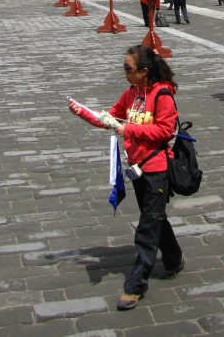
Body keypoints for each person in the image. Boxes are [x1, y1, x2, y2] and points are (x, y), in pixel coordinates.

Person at [68, 45, 184, 309]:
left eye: (128, 69)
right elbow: (110, 118)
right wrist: (84, 113)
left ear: (144, 71)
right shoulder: (132, 93)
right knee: (154, 217)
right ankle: (174, 258)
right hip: (137, 168)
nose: (125, 74)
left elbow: (165, 131)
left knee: (146, 227)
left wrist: (129, 129)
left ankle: (135, 284)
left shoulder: (162, 94)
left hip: (156, 168)